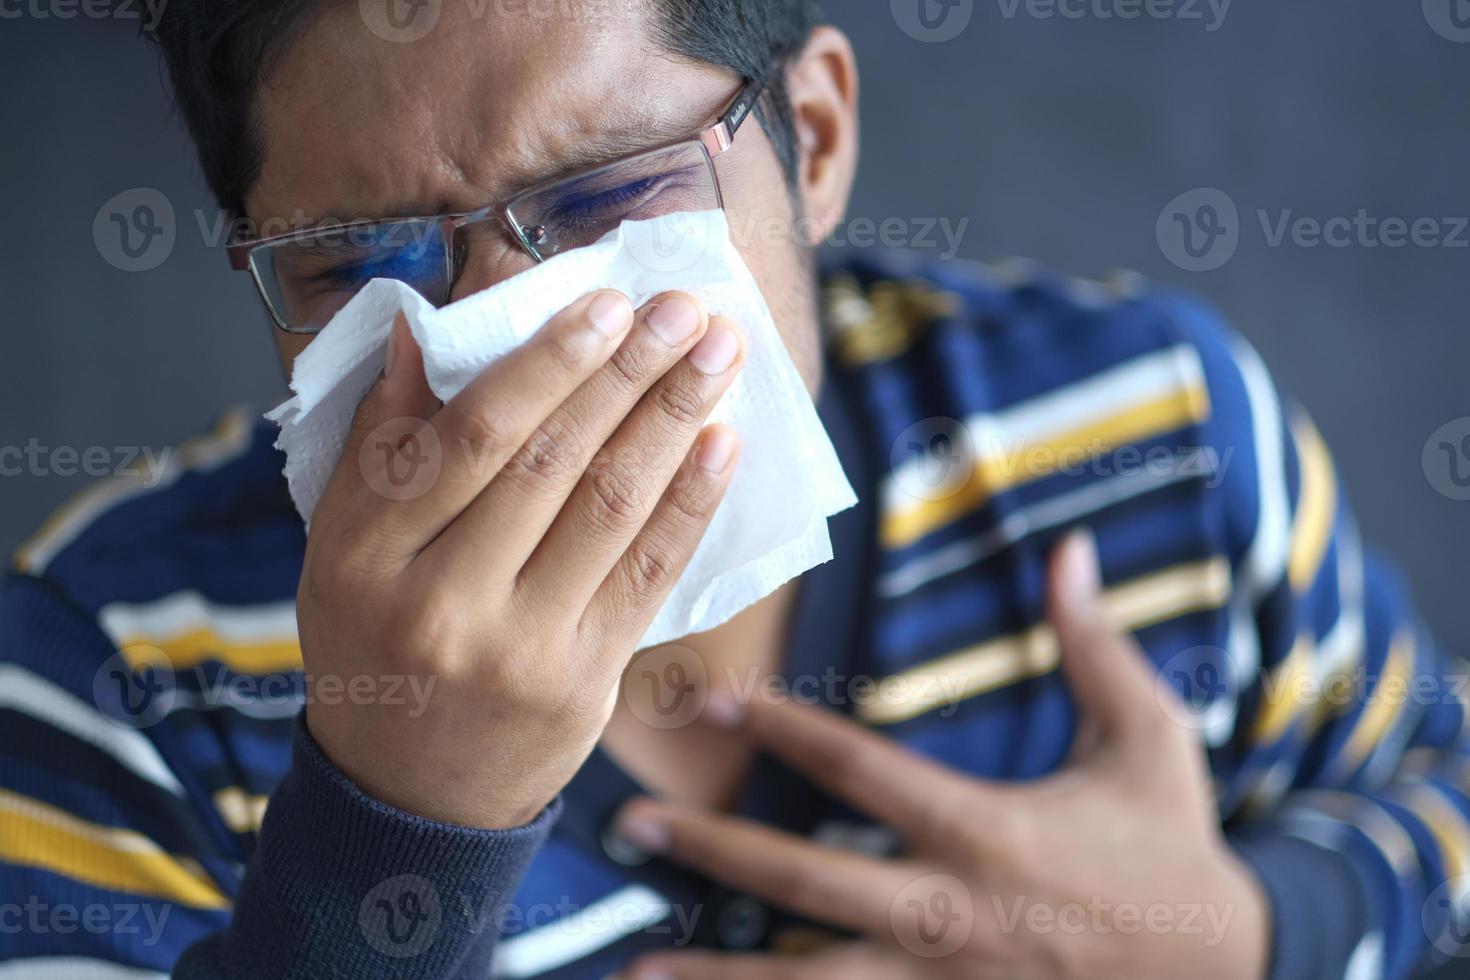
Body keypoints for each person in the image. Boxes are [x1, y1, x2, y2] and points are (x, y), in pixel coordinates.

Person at [3, 2, 1466, 978]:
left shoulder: (1151, 429)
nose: (511, 340)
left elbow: (1442, 798)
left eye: (609, 197)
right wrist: (393, 829)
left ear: (811, 142)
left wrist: (1250, 931)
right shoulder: (113, 659)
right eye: (363, 262)